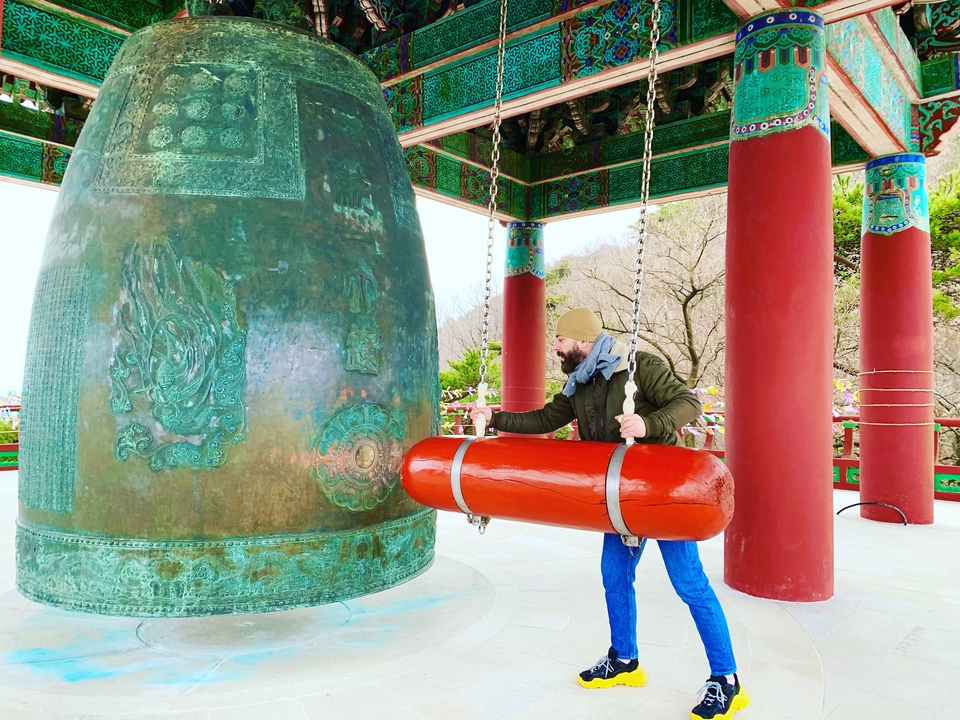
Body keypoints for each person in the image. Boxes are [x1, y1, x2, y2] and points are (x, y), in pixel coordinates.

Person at [470, 308, 749, 720]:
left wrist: (648, 424)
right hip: (618, 493)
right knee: (614, 576)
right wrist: (494, 418)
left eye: (560, 339)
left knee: (689, 584)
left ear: (581, 339)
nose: (555, 346)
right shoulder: (579, 381)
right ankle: (624, 659)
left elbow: (689, 403)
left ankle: (726, 678)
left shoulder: (640, 366)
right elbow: (547, 418)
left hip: (661, 490)